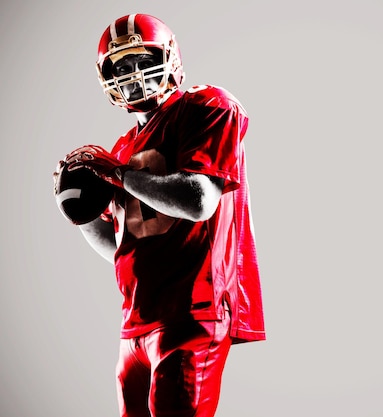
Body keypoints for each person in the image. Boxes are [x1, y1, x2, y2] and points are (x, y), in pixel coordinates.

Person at [53, 13, 265, 417]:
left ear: (169, 58)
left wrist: (119, 175)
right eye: (122, 66)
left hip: (191, 310)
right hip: (134, 322)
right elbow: (119, 245)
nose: (134, 73)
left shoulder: (206, 105)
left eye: (142, 59)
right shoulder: (121, 147)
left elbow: (200, 201)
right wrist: (81, 214)